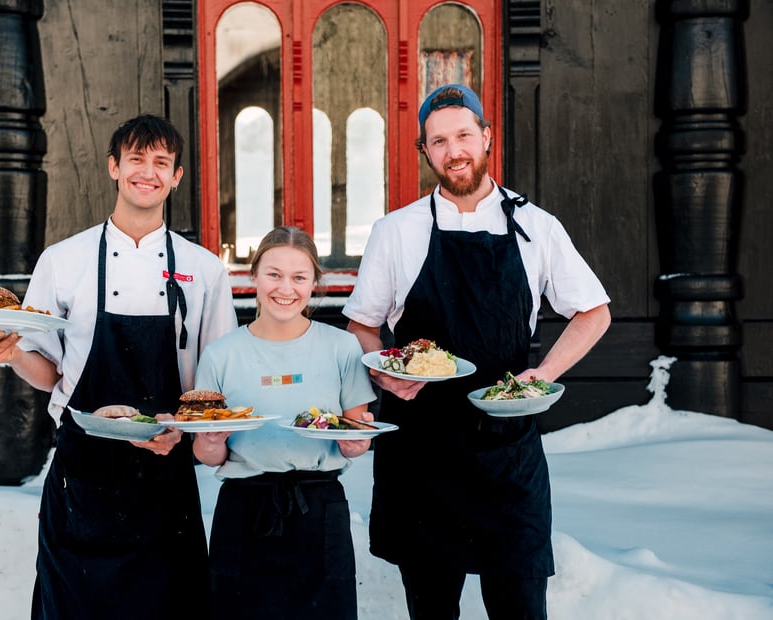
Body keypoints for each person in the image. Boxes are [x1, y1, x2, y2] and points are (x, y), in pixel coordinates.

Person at [343, 84, 612, 620]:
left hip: (506, 453)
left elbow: (593, 313)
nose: (454, 150)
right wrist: (386, 377)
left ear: (486, 136)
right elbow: (361, 327)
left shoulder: (537, 226)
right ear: (425, 152)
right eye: (438, 141)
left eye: (464, 134)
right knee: (432, 609)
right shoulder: (396, 231)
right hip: (421, 453)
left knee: (519, 606)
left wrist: (540, 375)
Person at [0, 114, 238, 619]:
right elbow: (50, 372)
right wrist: (13, 354)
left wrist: (179, 430)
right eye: (136, 159)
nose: (147, 172)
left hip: (164, 470)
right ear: (114, 167)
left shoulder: (205, 269)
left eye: (161, 163)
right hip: (82, 475)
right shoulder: (63, 260)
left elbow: (215, 387)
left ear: (176, 176)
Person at [192, 226, 377, 620]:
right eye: (274, 274)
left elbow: (356, 433)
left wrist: (355, 443)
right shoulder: (220, 354)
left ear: (314, 284)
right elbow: (208, 455)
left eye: (299, 277)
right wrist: (211, 440)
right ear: (253, 275)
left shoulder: (341, 347)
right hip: (243, 512)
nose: (285, 288)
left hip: (319, 511)